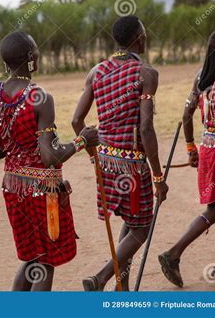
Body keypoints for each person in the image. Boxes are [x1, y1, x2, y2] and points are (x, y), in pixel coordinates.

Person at [0, 31, 98, 291]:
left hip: (12, 187)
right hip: (42, 190)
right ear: (31, 57)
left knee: (33, 256)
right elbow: (50, 157)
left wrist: (15, 148)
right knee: (45, 262)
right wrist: (82, 140)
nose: (39, 54)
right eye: (37, 50)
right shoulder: (39, 96)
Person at [72, 15, 169, 291]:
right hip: (133, 164)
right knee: (141, 227)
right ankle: (100, 278)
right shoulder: (147, 74)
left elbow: (77, 122)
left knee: (131, 220)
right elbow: (146, 127)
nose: (146, 37)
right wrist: (158, 175)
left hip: (106, 161)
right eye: (145, 33)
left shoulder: (96, 72)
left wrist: (94, 156)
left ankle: (121, 287)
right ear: (139, 38)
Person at [159, 27, 215, 286]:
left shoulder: (202, 77)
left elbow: (187, 113)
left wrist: (191, 149)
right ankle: (176, 254)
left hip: (209, 150)